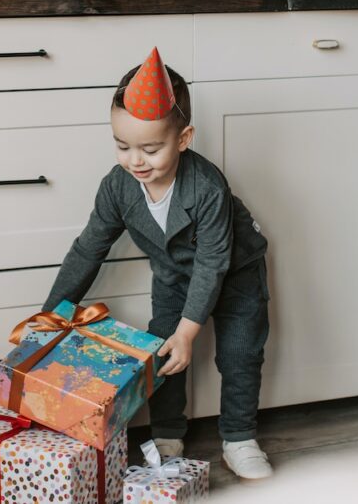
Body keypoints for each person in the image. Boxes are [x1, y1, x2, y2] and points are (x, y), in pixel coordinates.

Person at [42, 48, 273, 479]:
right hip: (174, 275)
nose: (135, 160)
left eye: (150, 148)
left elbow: (212, 261)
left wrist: (191, 330)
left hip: (235, 272)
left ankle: (239, 437)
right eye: (122, 146)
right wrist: (53, 311)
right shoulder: (117, 187)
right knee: (163, 352)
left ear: (183, 139)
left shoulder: (206, 187)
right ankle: (168, 433)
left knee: (240, 354)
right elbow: (89, 248)